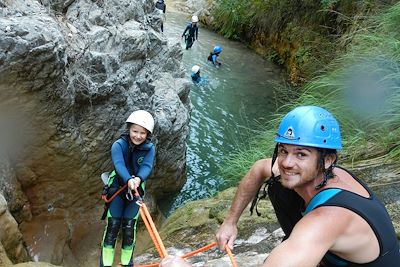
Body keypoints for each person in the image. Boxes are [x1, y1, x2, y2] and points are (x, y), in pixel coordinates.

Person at [214, 105, 400, 267]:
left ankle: (300, 252)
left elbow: (322, 223)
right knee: (278, 186)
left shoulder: (327, 219)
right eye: (283, 151)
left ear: (327, 160)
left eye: (301, 154)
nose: (287, 163)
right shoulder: (322, 175)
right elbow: (259, 169)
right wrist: (230, 223)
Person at [100, 110, 156, 267]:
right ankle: (105, 264)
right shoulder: (118, 145)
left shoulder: (149, 148)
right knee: (112, 226)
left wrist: (137, 179)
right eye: (135, 131)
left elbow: (146, 166)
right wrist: (128, 179)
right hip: (118, 187)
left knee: (129, 228)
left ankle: (126, 264)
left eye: (142, 133)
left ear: (148, 134)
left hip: (136, 189)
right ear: (129, 129)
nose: (138, 136)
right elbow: (119, 165)